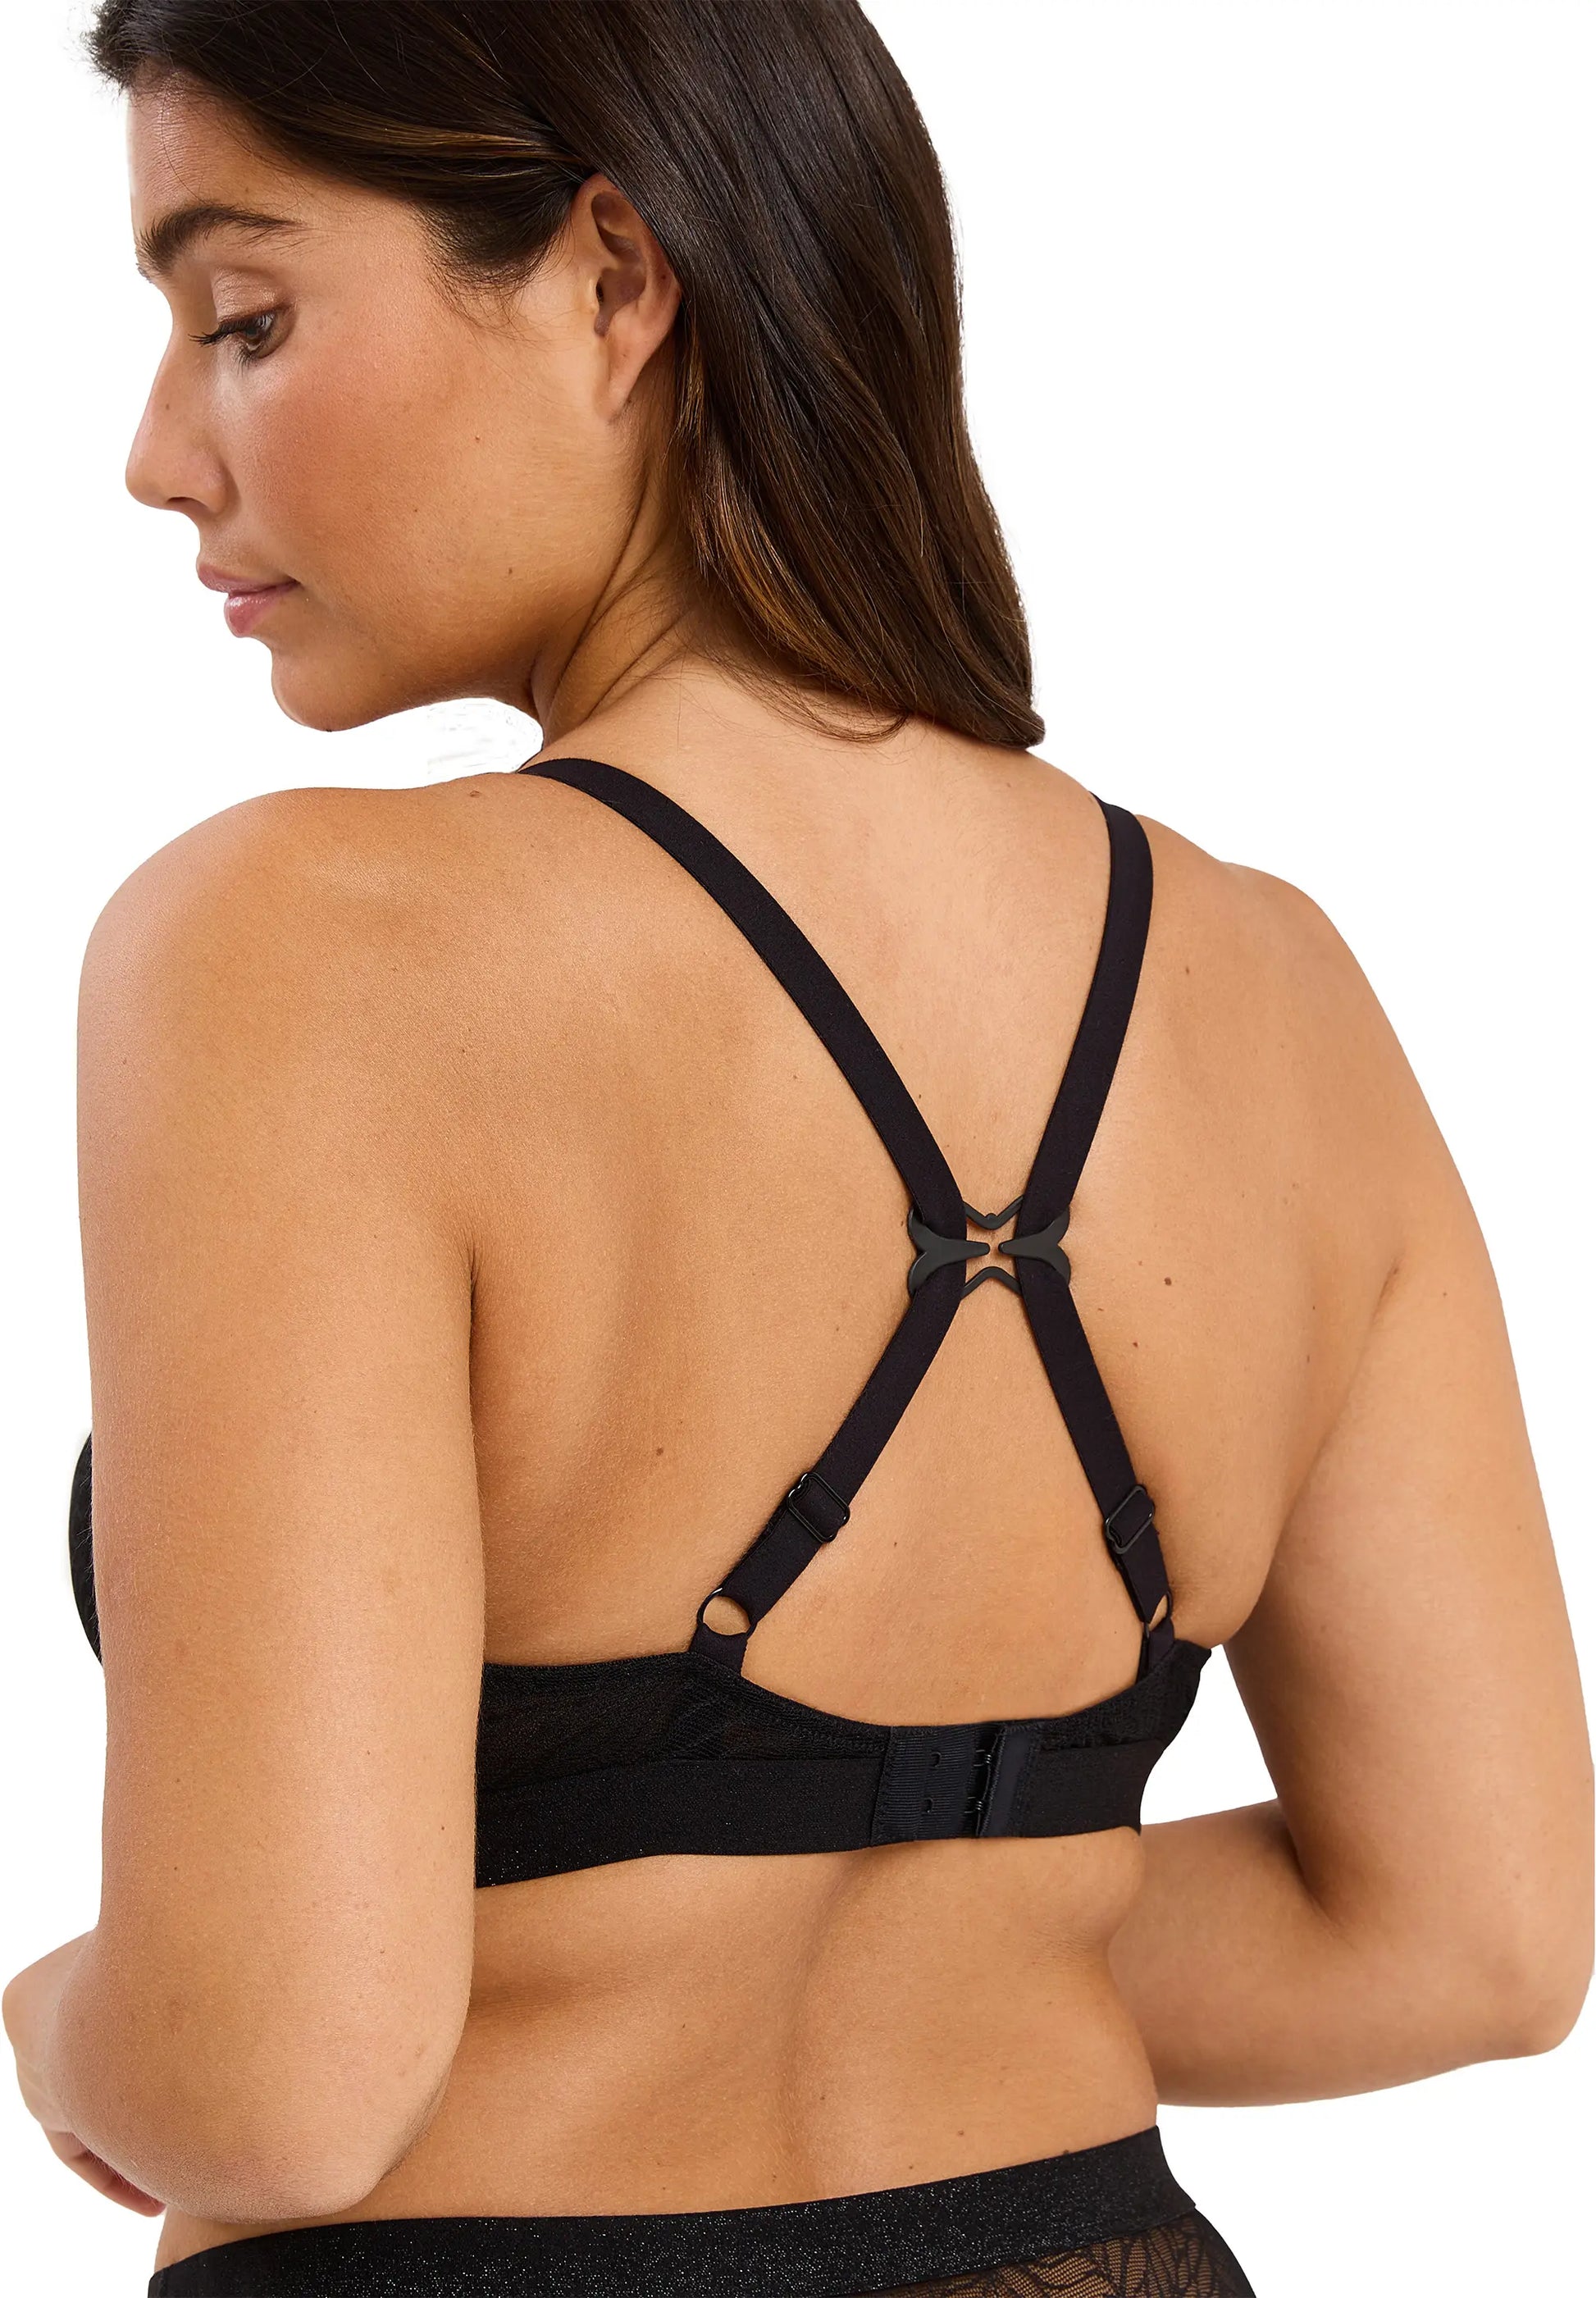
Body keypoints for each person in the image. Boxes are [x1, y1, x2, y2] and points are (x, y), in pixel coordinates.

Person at [3, 3, 1589, 2292]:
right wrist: (966, 1950)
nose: (159, 456)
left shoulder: (300, 947)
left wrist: (71, 2018)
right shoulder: (1273, 988)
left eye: (244, 318)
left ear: (613, 281)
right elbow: (1468, 1933)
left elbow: (272, 2077)